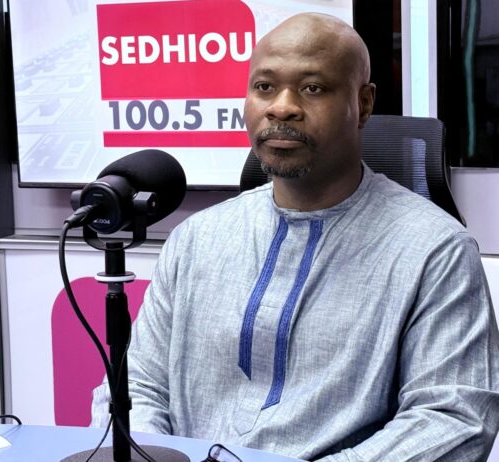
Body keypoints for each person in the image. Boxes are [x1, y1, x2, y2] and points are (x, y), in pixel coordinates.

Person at [92, 12, 499, 461]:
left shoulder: (434, 250)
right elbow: (138, 385)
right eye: (265, 87)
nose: (281, 107)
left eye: (313, 88)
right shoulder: (196, 238)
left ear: (363, 104)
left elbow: (452, 419)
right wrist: (152, 456)